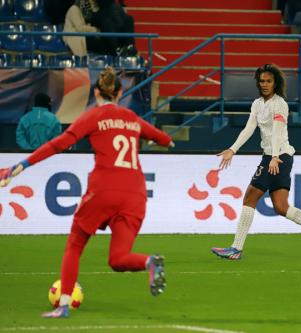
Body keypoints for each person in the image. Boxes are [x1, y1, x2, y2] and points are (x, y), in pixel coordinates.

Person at [0, 67, 174, 318]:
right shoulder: (132, 118)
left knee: (75, 244)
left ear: (96, 92)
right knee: (118, 259)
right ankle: (149, 262)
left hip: (104, 189)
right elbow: (164, 139)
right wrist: (167, 142)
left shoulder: (94, 116)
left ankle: (63, 305)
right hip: (135, 193)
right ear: (120, 92)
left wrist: (21, 165)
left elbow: (59, 143)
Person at [211, 64, 301, 260]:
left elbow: (278, 131)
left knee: (250, 198)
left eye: (269, 81)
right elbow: (249, 128)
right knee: (280, 206)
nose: (265, 84)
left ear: (275, 83)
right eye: (262, 81)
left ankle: (236, 248)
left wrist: (275, 156)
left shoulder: (280, 104)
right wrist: (232, 149)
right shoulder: (257, 104)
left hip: (278, 157)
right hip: (276, 157)